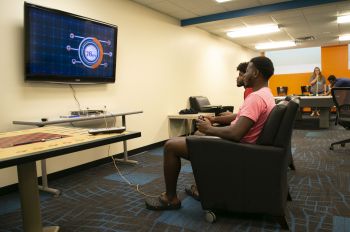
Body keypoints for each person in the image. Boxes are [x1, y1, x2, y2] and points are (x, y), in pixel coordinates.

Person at [144, 56, 276, 210]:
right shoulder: (267, 94)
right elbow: (240, 124)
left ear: (255, 73)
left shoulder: (255, 98)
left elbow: (235, 133)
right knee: (197, 138)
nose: (244, 75)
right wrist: (211, 125)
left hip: (237, 150)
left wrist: (209, 129)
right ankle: (204, 188)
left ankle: (170, 198)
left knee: (170, 145)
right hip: (245, 148)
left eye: (246, 71)